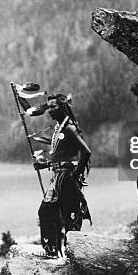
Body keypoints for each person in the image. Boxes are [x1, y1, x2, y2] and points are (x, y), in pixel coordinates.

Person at [32, 94, 91, 258]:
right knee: (46, 212)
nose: (49, 110)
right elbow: (62, 156)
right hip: (58, 178)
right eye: (48, 107)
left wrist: (75, 176)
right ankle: (52, 251)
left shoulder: (69, 128)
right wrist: (45, 165)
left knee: (69, 216)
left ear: (63, 107)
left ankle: (74, 256)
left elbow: (86, 152)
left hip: (67, 179)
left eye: (53, 107)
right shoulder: (60, 128)